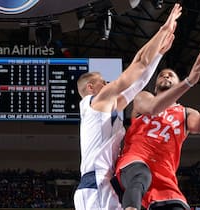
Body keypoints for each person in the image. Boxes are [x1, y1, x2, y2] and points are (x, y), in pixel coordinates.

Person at [73, 4, 182, 210]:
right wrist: (163, 29)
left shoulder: (104, 108)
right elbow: (139, 64)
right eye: (103, 81)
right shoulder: (99, 100)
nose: (107, 84)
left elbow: (138, 82)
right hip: (95, 185)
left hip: (101, 184)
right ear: (90, 87)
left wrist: (158, 55)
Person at [114, 48, 200, 210]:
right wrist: (189, 81)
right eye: (162, 75)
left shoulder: (185, 112)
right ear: (155, 87)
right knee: (140, 176)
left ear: (176, 85)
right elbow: (153, 108)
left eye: (170, 75)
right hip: (135, 162)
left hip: (165, 175)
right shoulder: (144, 97)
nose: (166, 75)